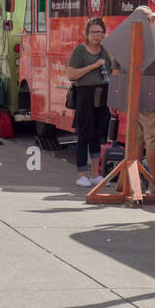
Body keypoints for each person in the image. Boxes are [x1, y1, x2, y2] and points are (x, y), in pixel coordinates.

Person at [115, 6, 155, 187]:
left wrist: (117, 100)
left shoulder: (124, 44)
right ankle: (154, 184)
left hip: (132, 102)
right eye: (152, 18)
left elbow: (116, 73)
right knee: (153, 144)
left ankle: (134, 183)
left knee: (135, 143)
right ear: (150, 22)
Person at [67, 17, 114, 186]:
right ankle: (81, 175)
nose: (96, 36)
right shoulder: (80, 50)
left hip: (103, 95)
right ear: (86, 34)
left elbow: (116, 67)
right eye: (93, 32)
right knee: (83, 134)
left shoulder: (106, 50)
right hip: (85, 95)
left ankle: (95, 174)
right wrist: (93, 66)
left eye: (100, 32)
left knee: (97, 134)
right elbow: (71, 75)